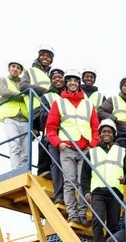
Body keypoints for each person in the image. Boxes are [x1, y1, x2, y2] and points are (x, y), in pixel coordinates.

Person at [45, 69, 100, 225]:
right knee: (70, 181)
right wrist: (59, 144)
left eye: (75, 80)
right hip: (67, 148)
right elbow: (50, 128)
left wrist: (93, 144)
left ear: (79, 83)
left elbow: (95, 127)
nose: (73, 83)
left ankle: (82, 214)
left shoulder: (89, 104)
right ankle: (72, 214)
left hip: (85, 149)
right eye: (70, 80)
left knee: (83, 182)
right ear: (66, 83)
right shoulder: (59, 103)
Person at [81, 119, 126, 242]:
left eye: (109, 131)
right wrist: (86, 191)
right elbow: (84, 175)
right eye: (104, 131)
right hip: (98, 192)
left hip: (115, 192)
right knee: (98, 221)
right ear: (100, 134)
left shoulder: (122, 151)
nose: (106, 134)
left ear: (114, 134)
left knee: (112, 223)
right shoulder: (92, 153)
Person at [24, 45, 55, 178]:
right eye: (43, 55)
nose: (45, 58)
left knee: (50, 137)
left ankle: (50, 169)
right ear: (38, 56)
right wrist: (44, 91)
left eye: (48, 56)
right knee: (45, 137)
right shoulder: (30, 71)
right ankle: (42, 169)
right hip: (36, 108)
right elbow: (23, 86)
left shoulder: (52, 74)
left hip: (49, 108)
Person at [0, 61, 29, 170]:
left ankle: (25, 172)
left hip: (25, 118)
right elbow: (4, 91)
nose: (15, 69)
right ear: (9, 68)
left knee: (26, 150)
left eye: (18, 68)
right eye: (13, 66)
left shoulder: (24, 83)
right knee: (14, 146)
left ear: (20, 71)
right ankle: (16, 171)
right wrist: (22, 95)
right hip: (10, 118)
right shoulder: (2, 79)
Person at [42, 69, 66, 204]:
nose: (58, 80)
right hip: (53, 136)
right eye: (54, 78)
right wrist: (56, 115)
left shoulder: (69, 95)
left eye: (60, 77)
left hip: (70, 137)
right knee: (57, 164)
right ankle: (59, 195)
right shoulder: (47, 97)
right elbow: (41, 115)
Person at [99, 78, 126, 156]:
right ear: (121, 87)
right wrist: (113, 119)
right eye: (124, 85)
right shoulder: (113, 99)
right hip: (121, 134)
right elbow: (100, 112)